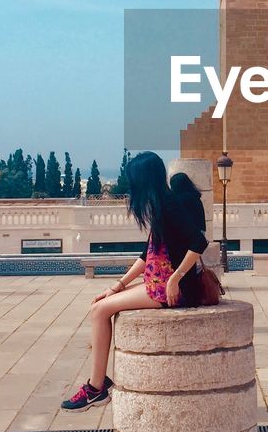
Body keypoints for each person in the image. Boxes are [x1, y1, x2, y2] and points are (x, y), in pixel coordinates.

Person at [61, 152, 208, 410]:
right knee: (101, 303)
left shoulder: (170, 205)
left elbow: (199, 242)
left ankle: (96, 388)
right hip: (158, 282)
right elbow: (147, 254)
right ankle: (97, 385)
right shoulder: (162, 205)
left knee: (100, 310)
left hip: (170, 289)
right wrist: (118, 286)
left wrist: (175, 278)